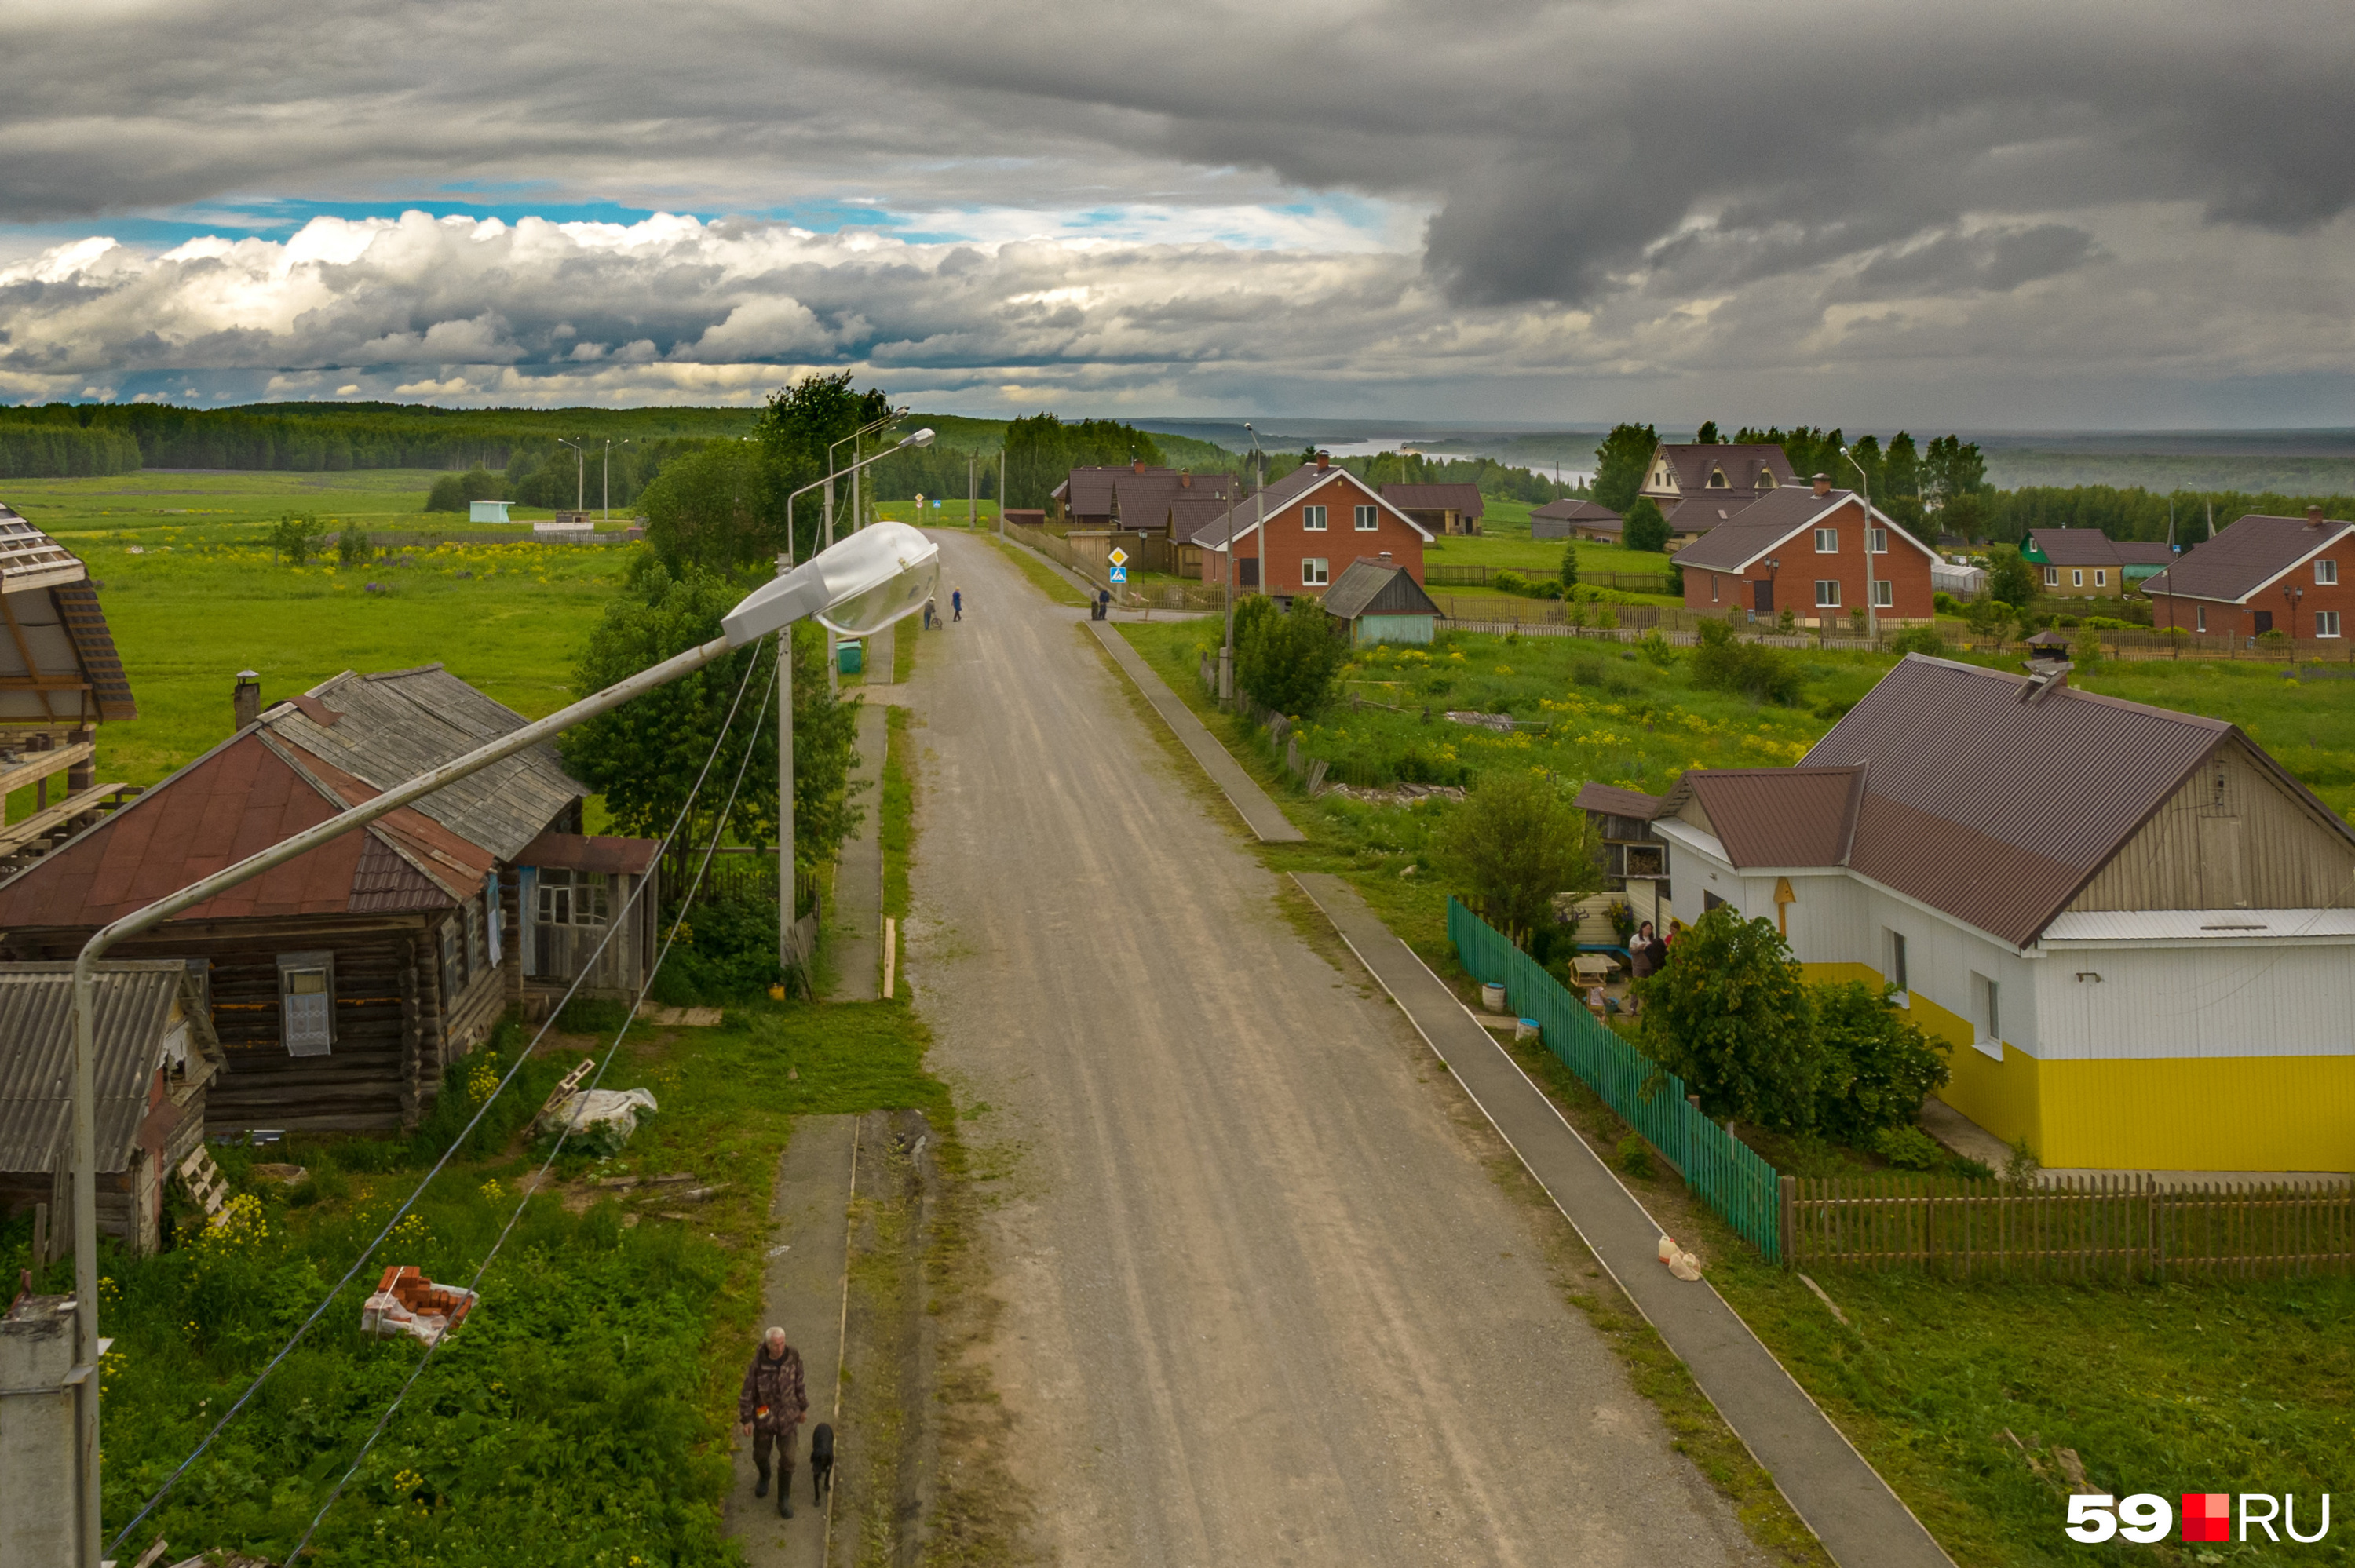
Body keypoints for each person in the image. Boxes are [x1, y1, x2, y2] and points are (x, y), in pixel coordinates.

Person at [738, 1326, 808, 1516]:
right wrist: (746, 1420)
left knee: (789, 1459)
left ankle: (783, 1499)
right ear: (768, 1345)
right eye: (775, 1345)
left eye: (782, 1343)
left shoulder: (792, 1357)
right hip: (765, 1419)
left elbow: (799, 1383)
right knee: (760, 1455)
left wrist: (802, 1407)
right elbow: (747, 1393)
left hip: (788, 1417)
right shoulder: (758, 1365)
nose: (779, 1348)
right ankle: (765, 1476)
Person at [1625, 920, 1666, 1013]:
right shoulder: (1635, 938)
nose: (1648, 931)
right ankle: (1633, 1007)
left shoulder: (1652, 940)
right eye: (1647, 928)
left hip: (1649, 966)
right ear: (1642, 928)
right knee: (1636, 986)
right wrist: (1638, 948)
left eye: (1650, 929)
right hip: (1638, 966)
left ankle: (1648, 1006)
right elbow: (1631, 951)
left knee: (1648, 987)